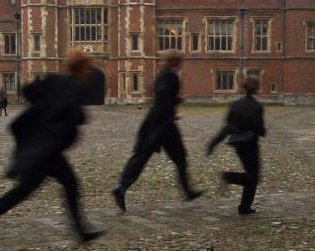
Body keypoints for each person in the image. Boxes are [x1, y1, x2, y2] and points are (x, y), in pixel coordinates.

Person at [0, 52, 105, 249]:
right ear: (82, 69)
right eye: (87, 69)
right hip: (46, 152)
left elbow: (28, 89)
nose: (89, 73)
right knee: (26, 190)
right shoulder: (76, 88)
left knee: (68, 185)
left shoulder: (53, 80)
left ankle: (81, 232)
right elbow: (78, 117)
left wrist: (42, 107)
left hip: (47, 149)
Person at [111, 52, 204, 213]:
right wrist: (173, 110)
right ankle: (188, 191)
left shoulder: (162, 74)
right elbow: (162, 97)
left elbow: (162, 95)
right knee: (180, 157)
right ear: (177, 62)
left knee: (141, 157)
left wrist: (175, 101)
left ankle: (121, 187)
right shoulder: (170, 76)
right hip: (163, 126)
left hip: (153, 123)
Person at [207, 76, 266, 215]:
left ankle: (244, 207)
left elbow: (227, 126)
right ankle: (229, 177)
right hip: (250, 144)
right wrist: (262, 131)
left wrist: (214, 143)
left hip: (237, 144)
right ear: (256, 89)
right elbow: (259, 127)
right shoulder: (257, 106)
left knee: (252, 175)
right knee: (253, 177)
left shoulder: (236, 104)